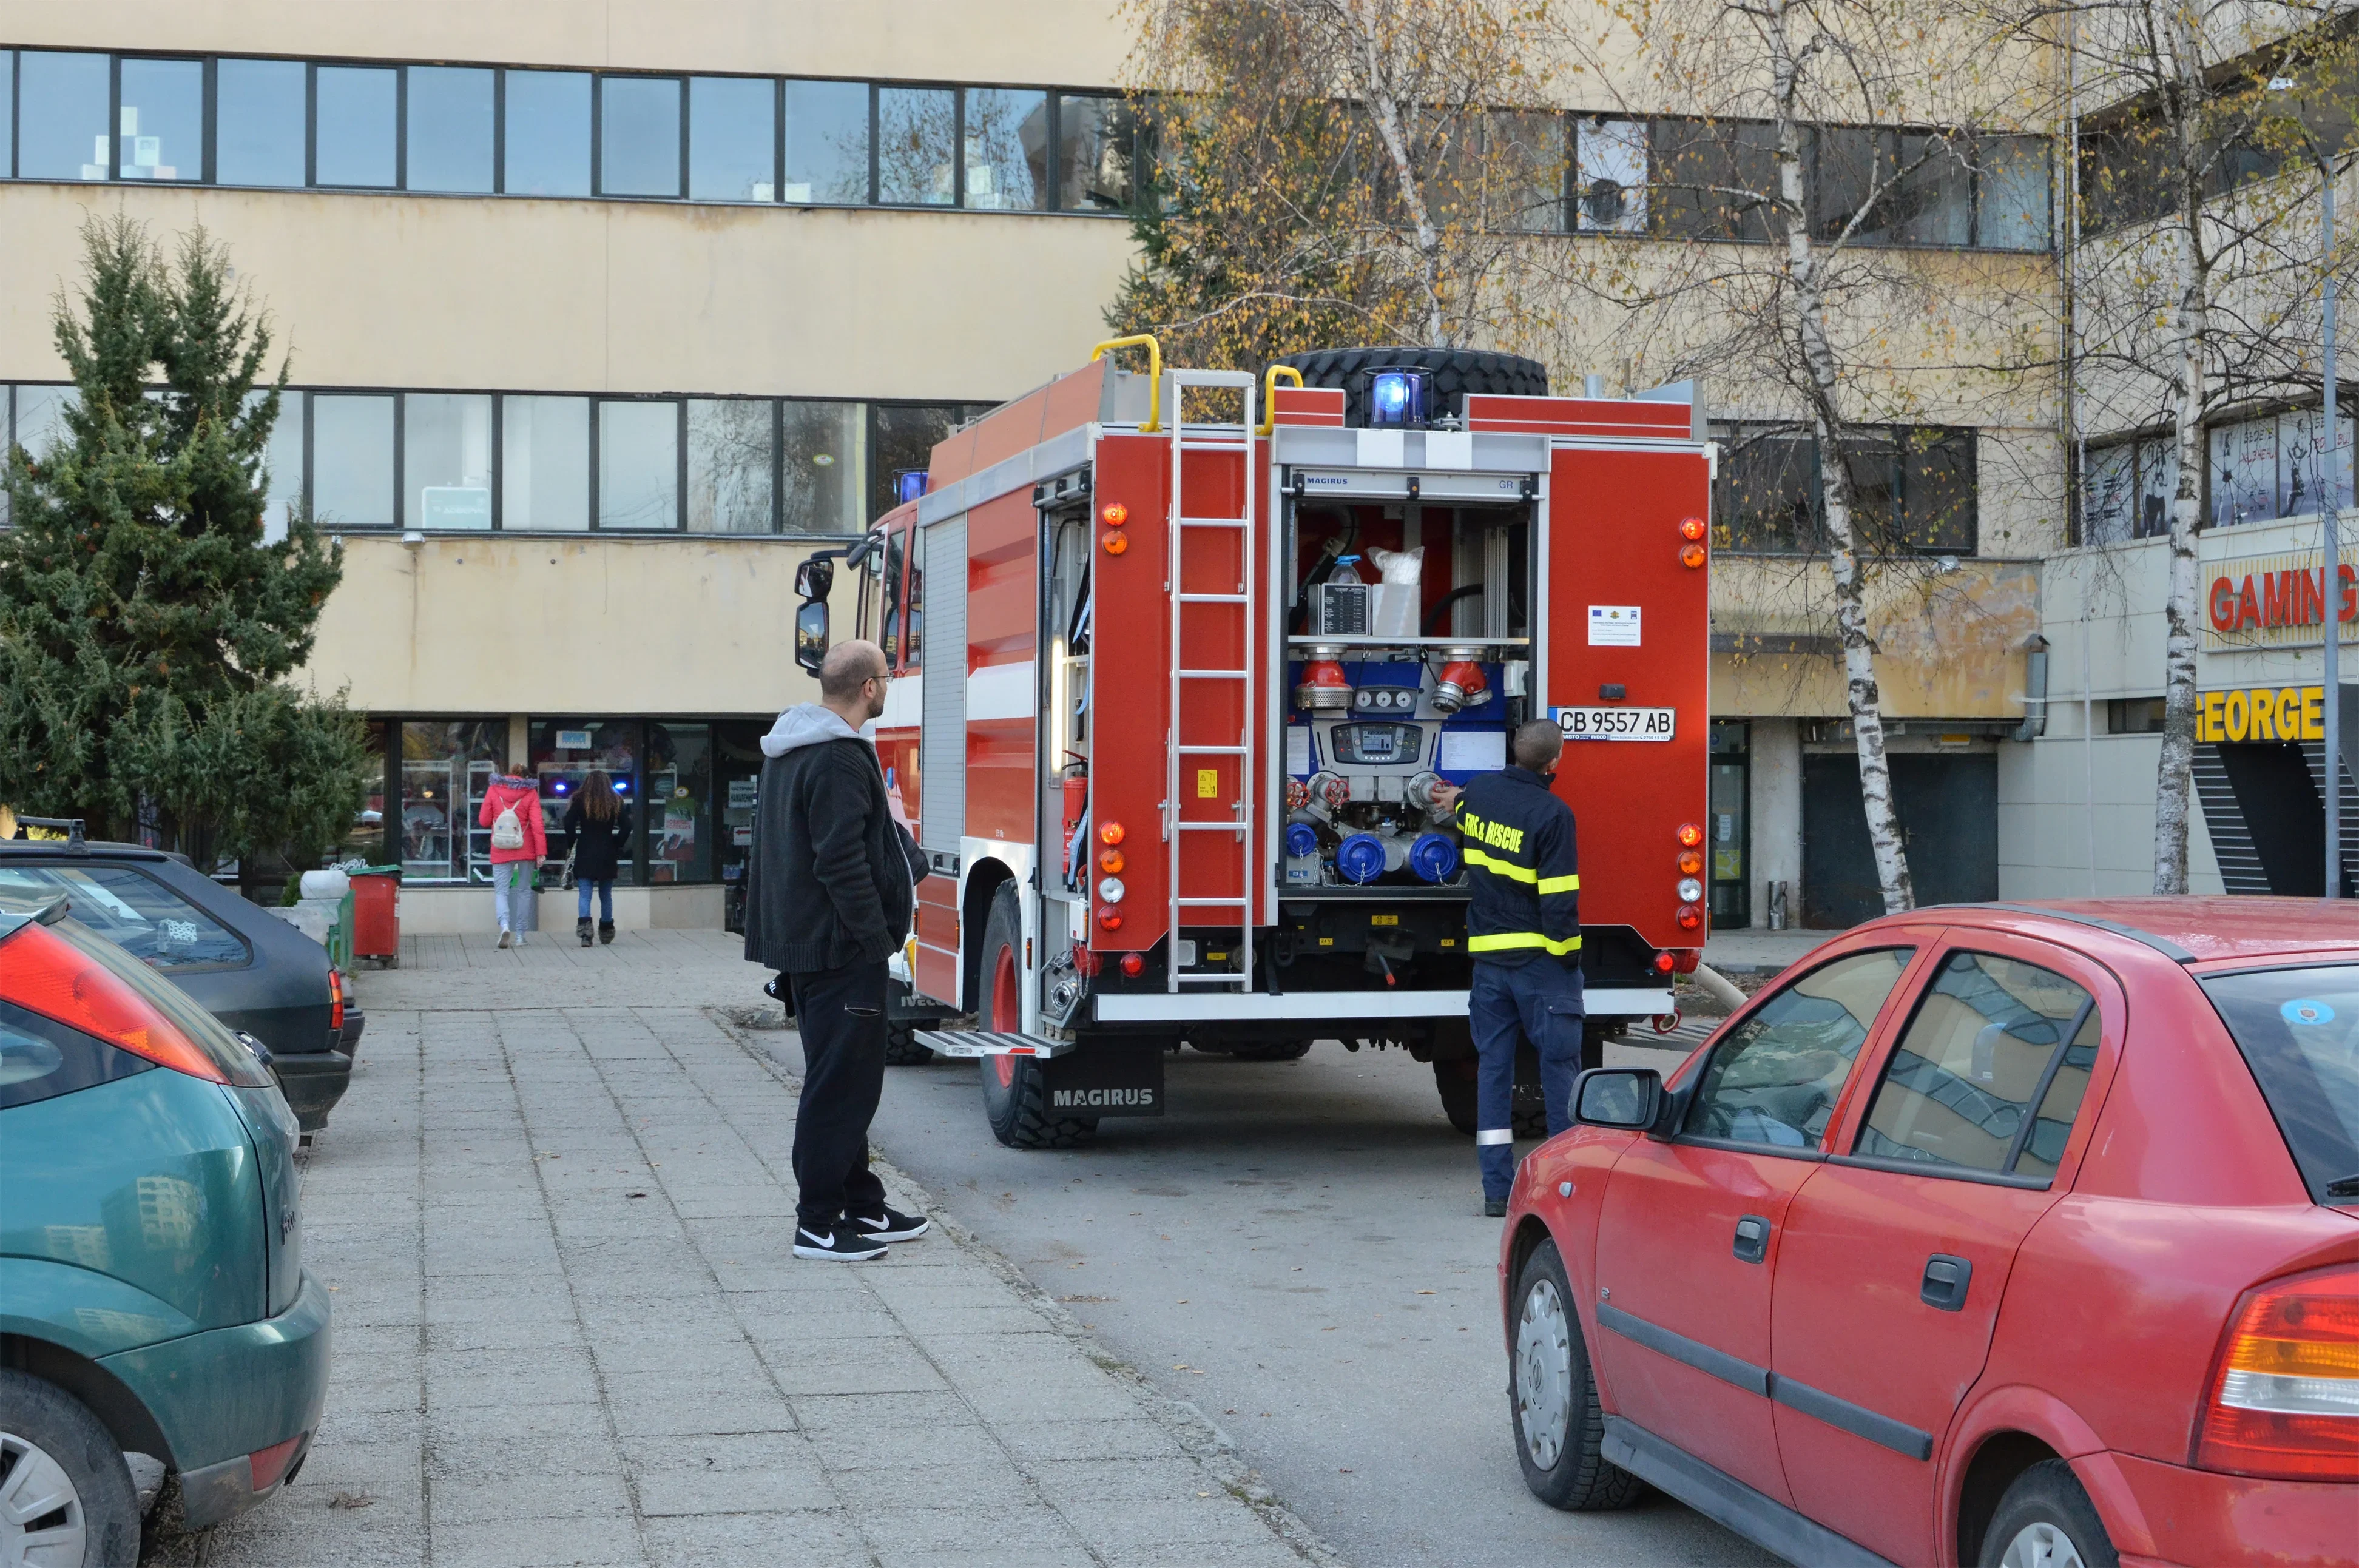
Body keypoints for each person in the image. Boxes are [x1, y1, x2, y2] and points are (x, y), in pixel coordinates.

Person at [743, 639, 931, 1262]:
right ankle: (818, 1223)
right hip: (840, 948)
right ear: (869, 688)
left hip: (808, 946)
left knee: (844, 1081)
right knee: (839, 1090)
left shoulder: (792, 750)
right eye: (886, 676)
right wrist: (875, 939)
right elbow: (839, 861)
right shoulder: (838, 759)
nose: (888, 685)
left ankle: (864, 1204)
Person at [1434, 719, 1584, 1218]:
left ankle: (1496, 1191)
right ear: (1554, 764)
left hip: (1488, 962)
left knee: (1493, 1073)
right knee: (1558, 1067)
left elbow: (1458, 805)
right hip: (1541, 963)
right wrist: (1569, 958)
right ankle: (1560, 1188)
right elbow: (1559, 900)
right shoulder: (1553, 814)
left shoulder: (1478, 793)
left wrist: (1451, 794)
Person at [562, 769, 633, 947]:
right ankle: (607, 931)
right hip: (607, 850)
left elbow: (568, 822)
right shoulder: (614, 800)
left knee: (585, 894)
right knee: (606, 894)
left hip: (586, 849)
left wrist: (573, 842)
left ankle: (586, 934)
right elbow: (627, 825)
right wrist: (617, 842)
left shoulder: (580, 799)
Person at [479, 769, 547, 949]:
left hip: (501, 847)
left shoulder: (493, 790)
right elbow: (538, 824)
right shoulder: (530, 793)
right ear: (525, 777)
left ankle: (505, 925)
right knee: (524, 891)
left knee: (502, 891)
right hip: (526, 847)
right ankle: (520, 936)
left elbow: (484, 821)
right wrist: (541, 852)